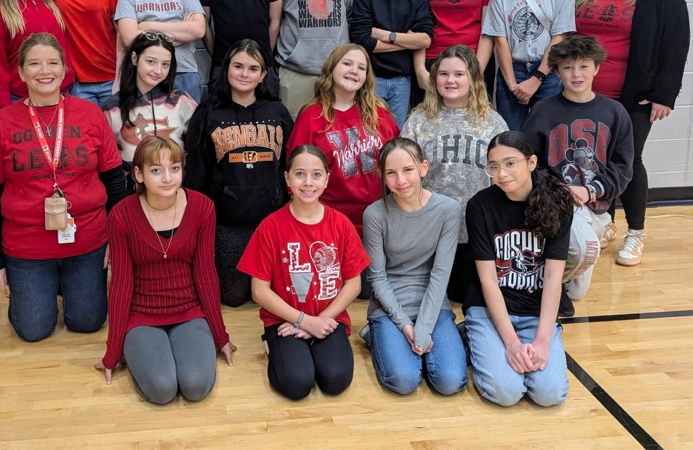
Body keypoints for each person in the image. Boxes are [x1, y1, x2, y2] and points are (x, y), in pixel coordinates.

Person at [0, 33, 126, 342]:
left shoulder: (91, 115)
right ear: (20, 72)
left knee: (87, 322)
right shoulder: (1, 123)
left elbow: (115, 182)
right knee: (33, 330)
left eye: (52, 63)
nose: (44, 71)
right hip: (27, 245)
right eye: (34, 64)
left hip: (86, 240)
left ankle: (60, 286)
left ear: (64, 69)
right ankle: (34, 291)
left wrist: (116, 240)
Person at [573, 0, 690, 266]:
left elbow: (676, 44)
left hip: (634, 96)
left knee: (627, 160)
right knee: (588, 160)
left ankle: (635, 233)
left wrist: (664, 95)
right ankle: (603, 222)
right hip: (587, 92)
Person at [96, 136, 234, 405]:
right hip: (142, 315)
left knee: (195, 387)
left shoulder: (203, 207)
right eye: (156, 170)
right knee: (162, 390)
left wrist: (221, 336)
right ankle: (139, 352)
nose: (167, 178)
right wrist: (112, 353)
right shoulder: (122, 215)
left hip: (189, 311)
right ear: (139, 174)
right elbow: (121, 284)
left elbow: (206, 274)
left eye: (174, 168)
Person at [237, 145, 369, 401]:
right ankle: (274, 346)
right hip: (283, 320)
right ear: (287, 178)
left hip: (329, 317)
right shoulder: (270, 227)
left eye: (316, 174)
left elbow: (353, 284)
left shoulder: (341, 224)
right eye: (299, 174)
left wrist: (319, 321)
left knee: (335, 381)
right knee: (297, 385)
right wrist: (304, 321)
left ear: (327, 179)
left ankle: (311, 346)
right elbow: (259, 290)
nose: (308, 182)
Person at [464, 131, 573, 407]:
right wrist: (511, 344)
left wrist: (543, 340)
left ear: (532, 162)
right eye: (493, 166)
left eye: (510, 163)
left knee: (550, 395)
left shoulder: (558, 202)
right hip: (491, 310)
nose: (501, 174)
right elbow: (488, 281)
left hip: (534, 312)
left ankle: (495, 347)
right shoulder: (480, 205)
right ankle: (474, 336)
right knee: (506, 393)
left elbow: (553, 278)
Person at [184, 39, 293, 307]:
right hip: (227, 222)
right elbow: (197, 170)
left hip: (271, 222)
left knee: (275, 296)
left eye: (253, 68)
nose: (245, 74)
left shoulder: (277, 111)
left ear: (263, 75)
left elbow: (291, 164)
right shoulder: (208, 112)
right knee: (233, 298)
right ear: (226, 69)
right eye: (238, 66)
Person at [523, 35, 634, 295]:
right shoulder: (543, 111)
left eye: (584, 66)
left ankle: (548, 280)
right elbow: (528, 162)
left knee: (577, 293)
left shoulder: (615, 112)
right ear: (557, 71)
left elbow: (624, 166)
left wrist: (591, 190)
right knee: (586, 251)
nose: (576, 74)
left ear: (596, 68)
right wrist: (555, 190)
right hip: (555, 201)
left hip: (594, 202)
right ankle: (545, 286)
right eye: (568, 67)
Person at [401, 45, 507, 302]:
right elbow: (404, 173)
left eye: (459, 74)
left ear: (472, 78)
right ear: (434, 78)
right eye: (443, 74)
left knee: (464, 296)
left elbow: (505, 176)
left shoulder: (493, 122)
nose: (450, 80)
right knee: (427, 297)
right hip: (430, 230)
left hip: (476, 231)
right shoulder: (418, 120)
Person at [363, 137, 467, 396]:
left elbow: (441, 274)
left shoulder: (448, 210)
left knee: (450, 382)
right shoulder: (375, 214)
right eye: (391, 173)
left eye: (408, 170)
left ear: (423, 167)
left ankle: (426, 342)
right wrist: (407, 327)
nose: (401, 180)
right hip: (389, 305)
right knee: (403, 381)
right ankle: (376, 335)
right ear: (382, 176)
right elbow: (377, 277)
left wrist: (423, 327)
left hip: (431, 303)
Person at [287, 44, 399, 239]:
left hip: (377, 220)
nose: (354, 71)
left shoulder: (380, 114)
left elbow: (397, 163)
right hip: (328, 222)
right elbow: (295, 173)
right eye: (347, 63)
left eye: (361, 67)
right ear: (332, 68)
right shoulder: (311, 116)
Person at [482, 0, 575, 130]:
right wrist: (512, 84)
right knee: (511, 137)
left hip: (548, 71)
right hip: (512, 69)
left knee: (548, 135)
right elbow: (500, 39)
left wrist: (537, 78)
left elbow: (560, 37)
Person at [349, 0, 433, 126]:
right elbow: (362, 41)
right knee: (369, 131)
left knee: (397, 133)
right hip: (371, 79)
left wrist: (386, 35)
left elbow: (425, 39)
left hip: (403, 80)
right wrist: (408, 42)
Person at [103, 31, 196, 187]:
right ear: (134, 58)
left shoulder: (182, 102)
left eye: (165, 64)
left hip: (175, 190)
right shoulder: (112, 108)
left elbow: (196, 154)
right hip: (131, 193)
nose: (158, 71)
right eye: (151, 62)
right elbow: (108, 163)